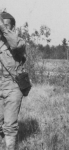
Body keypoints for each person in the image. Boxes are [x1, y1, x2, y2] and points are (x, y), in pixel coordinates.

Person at [0, 11, 26, 150]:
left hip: (12, 86)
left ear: (13, 28)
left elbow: (15, 44)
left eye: (5, 26)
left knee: (9, 125)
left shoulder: (19, 42)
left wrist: (3, 30)